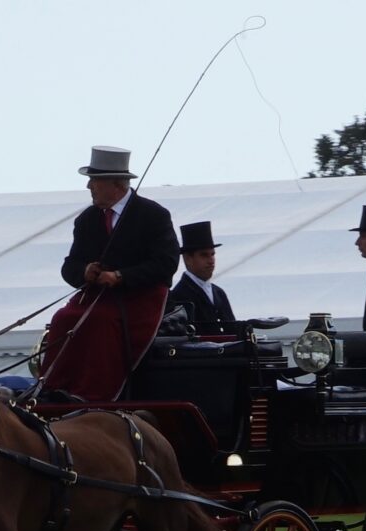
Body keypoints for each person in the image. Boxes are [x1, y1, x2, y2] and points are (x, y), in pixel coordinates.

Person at [39, 146, 180, 401]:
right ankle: (54, 386)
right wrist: (85, 271)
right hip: (95, 296)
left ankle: (93, 393)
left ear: (115, 184)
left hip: (137, 297)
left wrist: (121, 276)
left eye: (94, 180)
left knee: (99, 322)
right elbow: (70, 265)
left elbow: (166, 263)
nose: (89, 187)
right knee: (62, 319)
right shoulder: (87, 220)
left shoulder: (153, 215)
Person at [167, 221, 235, 327]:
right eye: (204, 255)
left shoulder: (219, 292)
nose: (211, 260)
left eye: (212, 254)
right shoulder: (179, 296)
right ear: (188, 258)